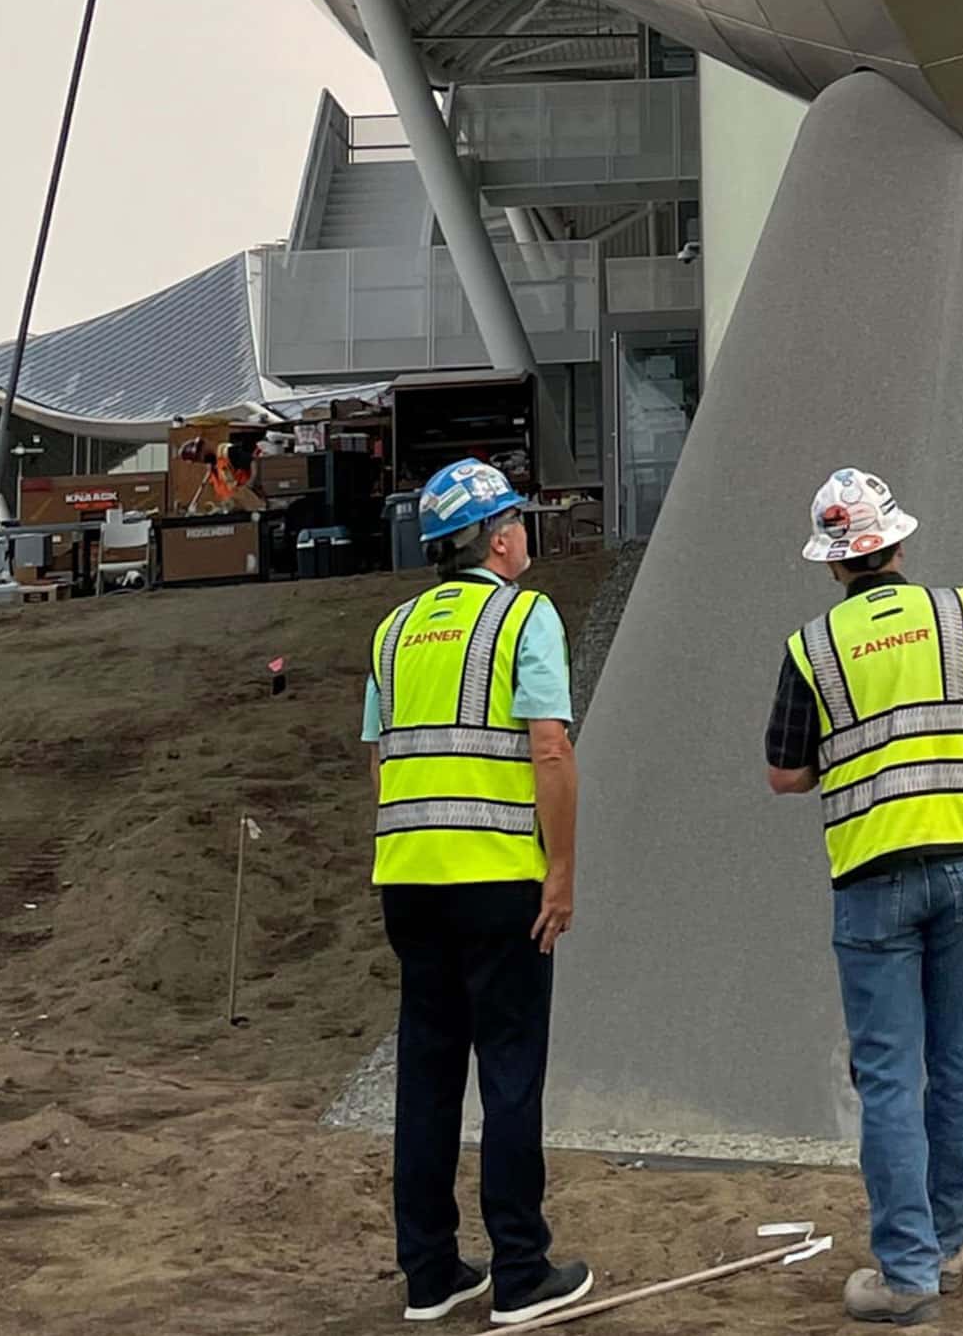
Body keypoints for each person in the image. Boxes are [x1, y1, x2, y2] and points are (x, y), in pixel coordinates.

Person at [766, 469, 963, 1326]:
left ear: (832, 561)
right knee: (959, 1060)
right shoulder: (961, 614)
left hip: (873, 878)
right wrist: (961, 751)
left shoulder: (813, 648)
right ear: (897, 541)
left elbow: (784, 773)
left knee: (889, 1076)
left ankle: (907, 1270)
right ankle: (953, 1236)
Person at [362, 458, 592, 1326]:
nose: (525, 532)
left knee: (425, 1077)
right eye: (518, 520)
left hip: (410, 882)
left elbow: (382, 760)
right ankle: (520, 1271)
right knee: (509, 1072)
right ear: (497, 539)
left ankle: (430, 1273)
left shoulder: (392, 632)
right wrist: (559, 871)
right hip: (498, 880)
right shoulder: (526, 616)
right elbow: (550, 749)